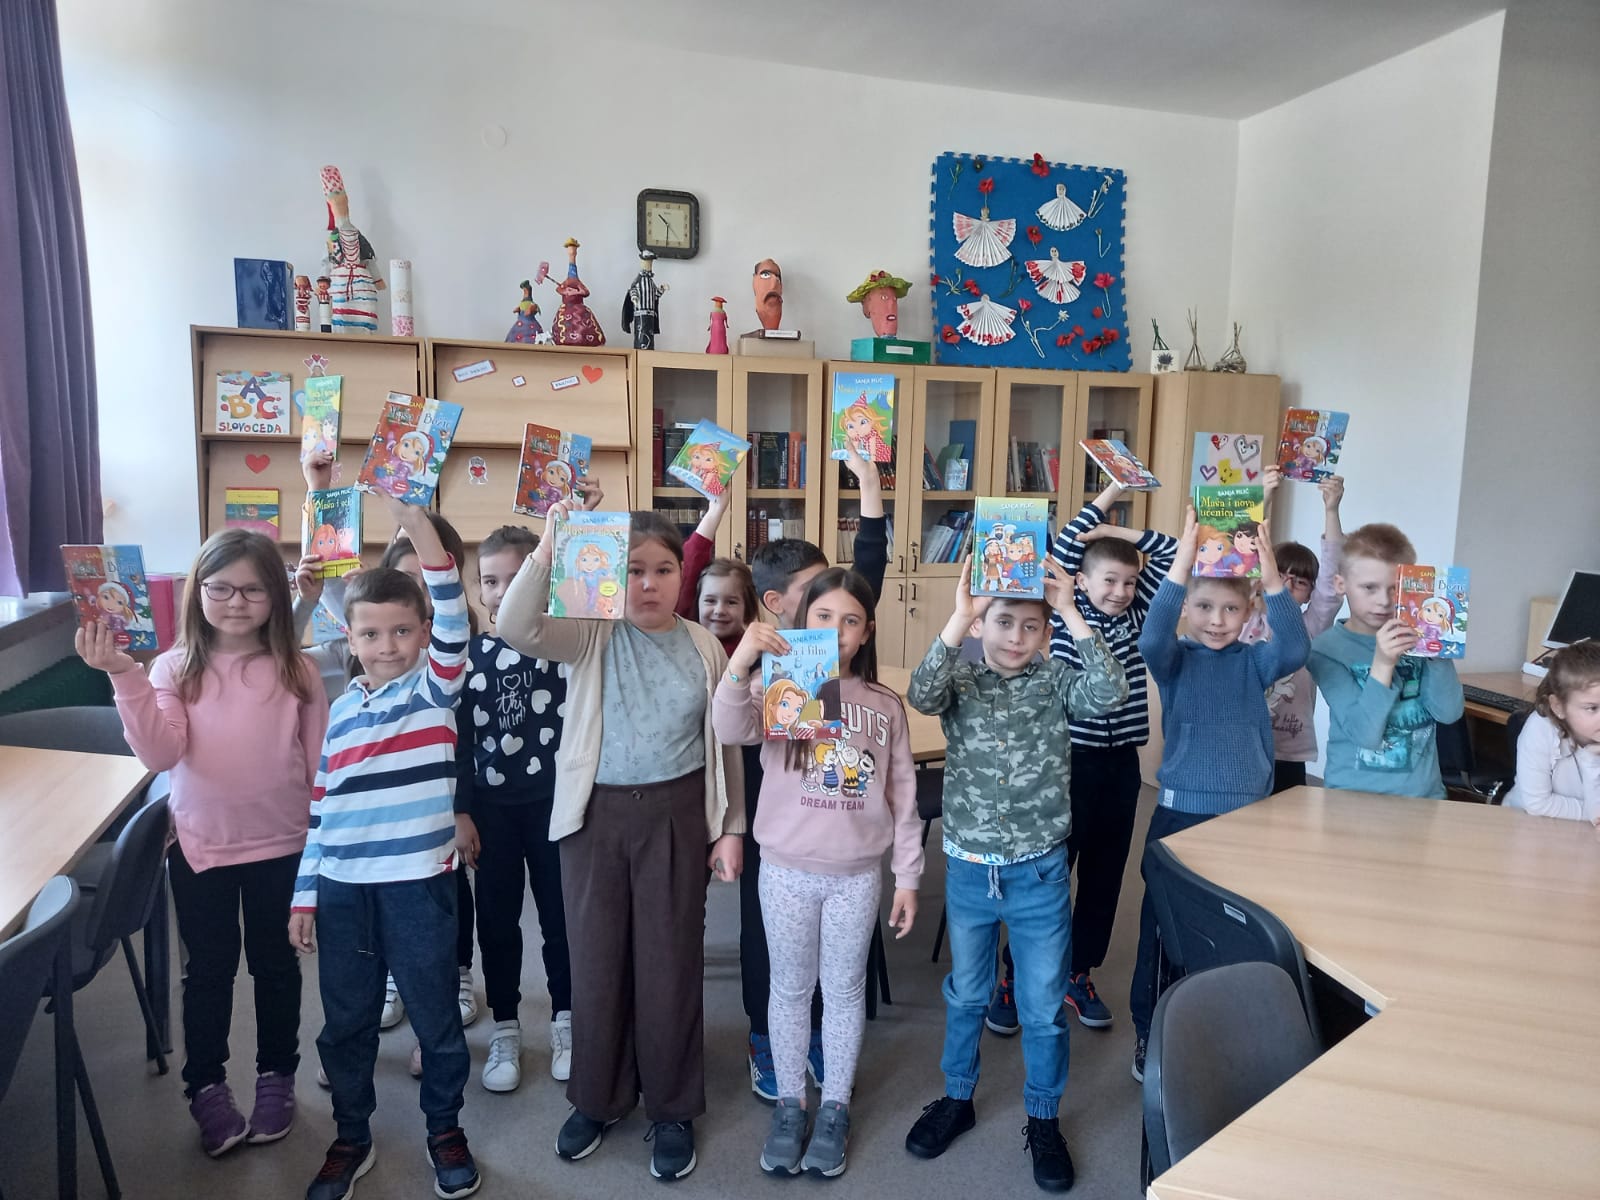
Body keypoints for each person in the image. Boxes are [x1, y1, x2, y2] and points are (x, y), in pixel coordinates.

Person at [495, 505, 745, 1182]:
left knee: (670, 967)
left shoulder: (704, 645)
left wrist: (729, 830)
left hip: (676, 815)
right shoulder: (591, 631)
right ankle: (598, 1098)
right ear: (612, 573)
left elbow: (724, 743)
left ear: (682, 576)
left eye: (663, 570)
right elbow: (514, 624)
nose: (649, 584)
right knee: (597, 964)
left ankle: (672, 1108)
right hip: (595, 819)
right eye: (634, 570)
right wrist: (551, 541)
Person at [78, 529, 325, 1158]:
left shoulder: (297, 668)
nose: (236, 602)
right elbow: (160, 754)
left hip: (285, 847)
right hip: (201, 849)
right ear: (199, 592)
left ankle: (277, 1075)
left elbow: (319, 765)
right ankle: (206, 1086)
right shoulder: (172, 667)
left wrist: (322, 852)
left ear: (276, 595)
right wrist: (124, 675)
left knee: (276, 968)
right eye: (221, 588)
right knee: (209, 974)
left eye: (253, 590)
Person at [903, 557, 1127, 1193]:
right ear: (983, 624)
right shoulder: (961, 679)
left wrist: (1072, 611)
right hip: (971, 871)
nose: (1016, 637)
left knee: (1043, 1007)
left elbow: (1110, 692)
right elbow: (921, 694)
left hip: (1038, 875)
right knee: (967, 995)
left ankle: (1044, 1117)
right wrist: (959, 618)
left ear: (1045, 632)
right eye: (1003, 622)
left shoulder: (1056, 681)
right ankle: (958, 1097)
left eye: (1031, 626)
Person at [288, 493, 481, 1200]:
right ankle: (351, 1134)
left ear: (424, 633)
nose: (388, 645)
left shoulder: (434, 692)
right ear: (350, 638)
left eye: (403, 631)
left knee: (435, 1016)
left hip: (418, 886)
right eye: (371, 634)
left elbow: (452, 615)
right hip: (344, 890)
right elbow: (322, 811)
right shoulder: (342, 711)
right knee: (346, 1022)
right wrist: (305, 894)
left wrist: (417, 524)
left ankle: (444, 1129)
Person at [714, 567, 922, 1179]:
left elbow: (903, 795)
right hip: (785, 871)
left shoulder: (884, 705)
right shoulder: (785, 685)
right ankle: (790, 1105)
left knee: (844, 991)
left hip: (856, 875)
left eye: (851, 620)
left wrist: (909, 876)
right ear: (804, 620)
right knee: (789, 990)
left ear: (867, 632)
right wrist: (744, 661)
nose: (837, 630)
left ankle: (834, 1107)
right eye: (824, 617)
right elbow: (728, 727)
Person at [727, 442, 889, 1100]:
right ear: (775, 602)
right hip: (772, 809)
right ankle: (765, 1036)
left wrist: (869, 487)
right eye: (812, 591)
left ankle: (821, 1032)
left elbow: (868, 568)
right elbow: (732, 726)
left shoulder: (841, 640)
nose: (829, 597)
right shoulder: (770, 650)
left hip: (837, 810)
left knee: (836, 945)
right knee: (766, 931)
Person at [986, 480, 1176, 1037]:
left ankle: (1078, 971)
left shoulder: (1139, 614)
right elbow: (1067, 545)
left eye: (1129, 581)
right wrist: (1108, 495)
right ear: (1082, 581)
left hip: (1120, 765)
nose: (1120, 591)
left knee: (1104, 875)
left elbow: (1169, 553)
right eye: (1109, 580)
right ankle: (1016, 975)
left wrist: (1116, 531)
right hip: (1068, 761)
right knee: (1049, 873)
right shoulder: (1062, 609)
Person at [1128, 507, 1310, 1083]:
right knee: (1162, 927)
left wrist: (1270, 573)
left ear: (1249, 611)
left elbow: (1295, 646)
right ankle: (1149, 1031)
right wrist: (1183, 557)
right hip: (1180, 818)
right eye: (1204, 607)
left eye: (1231, 609)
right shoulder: (1174, 663)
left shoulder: (1256, 662)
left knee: (1238, 926)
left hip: (1246, 819)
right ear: (1187, 607)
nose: (1216, 620)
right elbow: (1152, 635)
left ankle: (1226, 1026)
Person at [462, 483, 604, 1093]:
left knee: (560, 918)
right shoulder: (468, 655)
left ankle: (567, 1019)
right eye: (490, 581)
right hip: (491, 810)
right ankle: (506, 1027)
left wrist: (573, 527)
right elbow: (460, 740)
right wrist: (462, 811)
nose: (501, 591)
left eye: (515, 578)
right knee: (496, 923)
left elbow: (592, 585)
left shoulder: (566, 645)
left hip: (556, 806)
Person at [1306, 523, 1464, 798]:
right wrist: (1383, 663)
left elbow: (1449, 714)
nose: (1383, 601)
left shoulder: (1417, 640)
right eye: (1369, 587)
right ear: (1341, 585)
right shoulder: (1326, 649)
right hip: (1351, 798)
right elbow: (1365, 735)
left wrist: (1438, 656)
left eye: (1395, 589)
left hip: (1423, 798)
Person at [1240, 467, 1347, 793]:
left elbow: (1331, 579)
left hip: (1287, 749)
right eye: (1280, 576)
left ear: (1310, 593)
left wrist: (1332, 510)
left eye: (1299, 582)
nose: (1287, 586)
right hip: (1241, 742)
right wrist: (1265, 496)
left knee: (1286, 819)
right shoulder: (1243, 616)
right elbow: (1239, 555)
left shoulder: (1309, 627)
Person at [1505, 640, 1600, 821]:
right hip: (1527, 822)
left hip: (1584, 830)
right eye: (1592, 708)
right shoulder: (1541, 729)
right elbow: (1537, 804)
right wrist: (1592, 813)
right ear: (1558, 706)